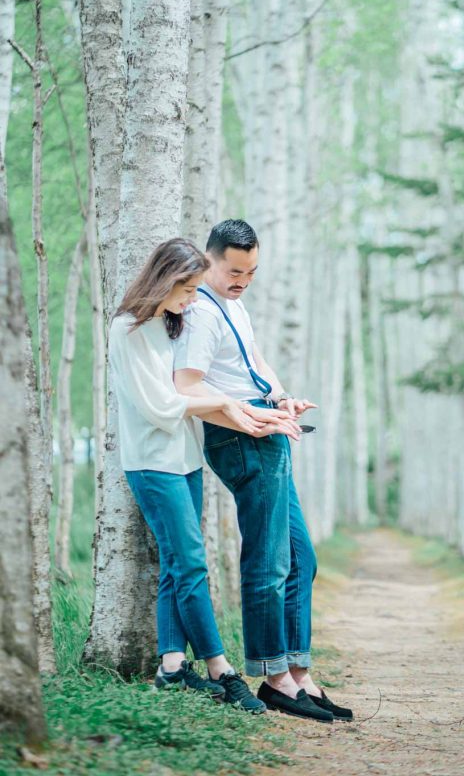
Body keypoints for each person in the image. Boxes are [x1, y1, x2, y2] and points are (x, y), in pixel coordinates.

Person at [174, 220, 353, 723]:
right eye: (234, 270)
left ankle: (299, 674)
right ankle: (274, 677)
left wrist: (280, 398)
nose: (243, 280)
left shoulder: (233, 304)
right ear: (209, 260)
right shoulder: (200, 315)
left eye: (251, 271)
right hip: (242, 437)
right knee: (269, 563)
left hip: (268, 429)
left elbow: (253, 363)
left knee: (302, 559)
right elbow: (186, 389)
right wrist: (247, 415)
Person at [109, 236, 297, 712]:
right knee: (191, 564)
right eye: (188, 289)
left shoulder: (169, 325)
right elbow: (161, 406)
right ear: (166, 281)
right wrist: (228, 404)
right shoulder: (127, 329)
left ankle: (172, 666)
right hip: (153, 464)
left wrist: (265, 414)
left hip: (186, 459)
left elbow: (213, 382)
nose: (192, 301)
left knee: (178, 563)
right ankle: (221, 668)